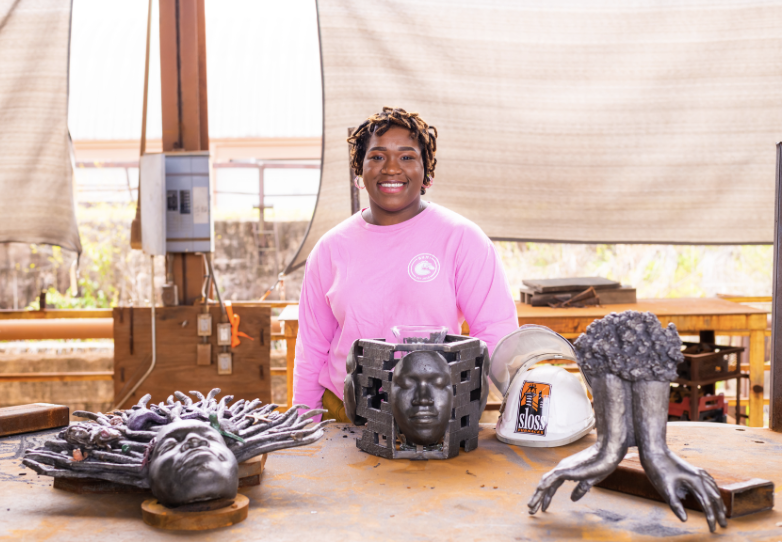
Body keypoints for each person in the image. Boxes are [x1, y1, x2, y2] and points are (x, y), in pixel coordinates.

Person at [293, 107, 519, 422]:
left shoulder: (462, 238)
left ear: (427, 173)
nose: (391, 168)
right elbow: (311, 348)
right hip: (346, 413)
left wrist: (466, 404)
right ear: (360, 171)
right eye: (377, 156)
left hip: (434, 413)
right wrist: (304, 425)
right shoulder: (329, 249)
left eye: (407, 157)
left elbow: (496, 331)